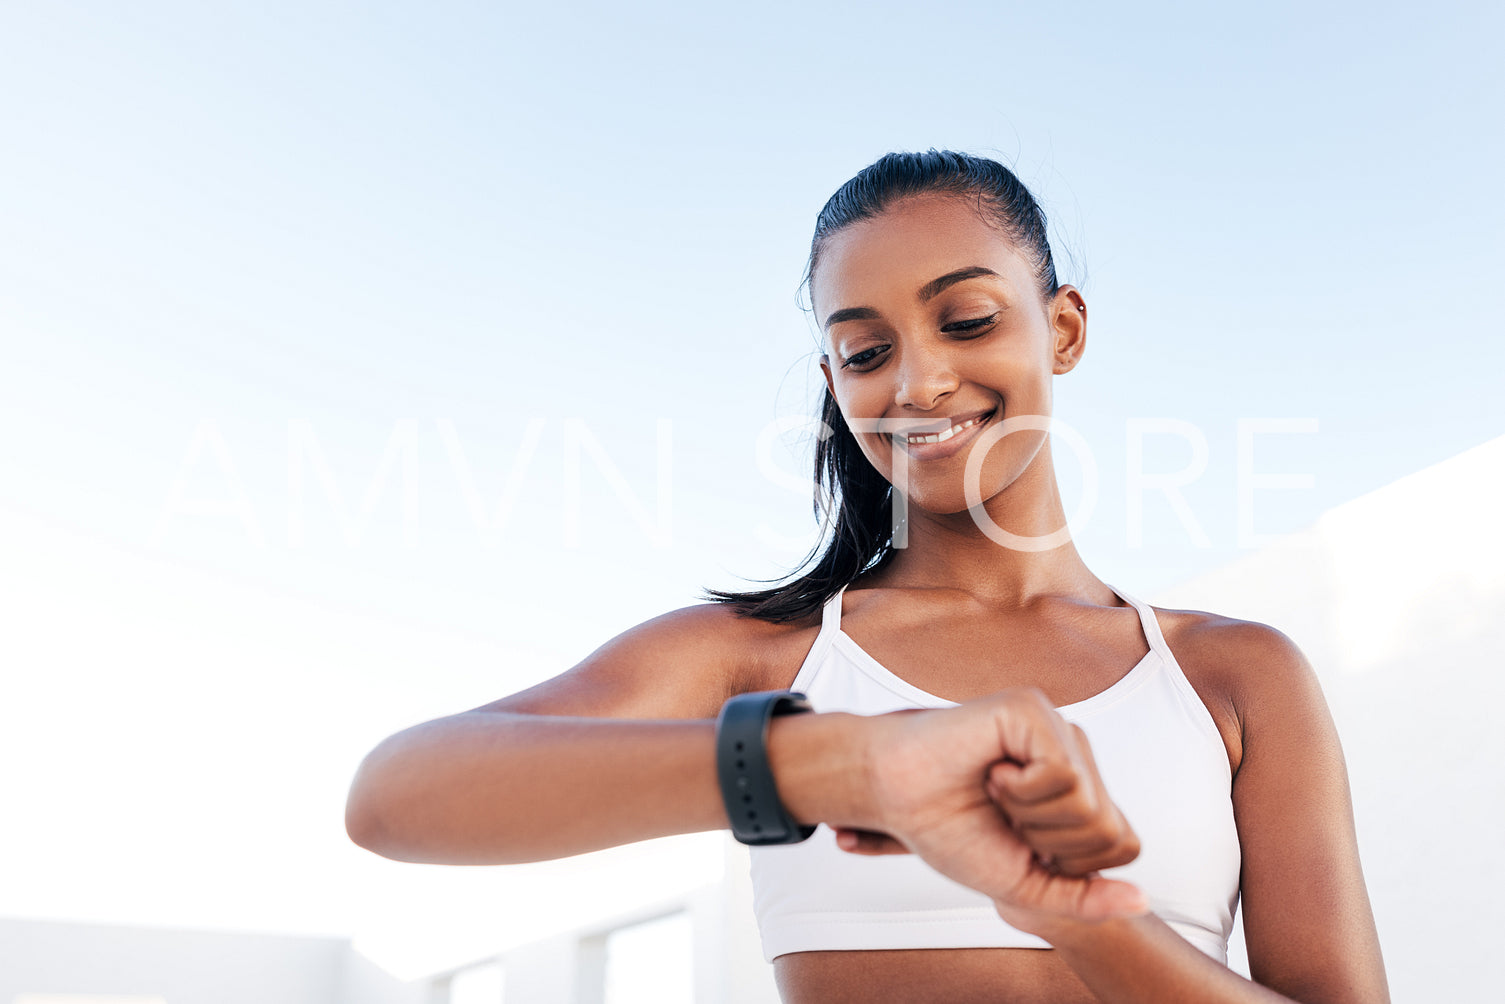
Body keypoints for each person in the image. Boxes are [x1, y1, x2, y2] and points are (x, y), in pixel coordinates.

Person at [345, 150, 1389, 1003]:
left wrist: (1075, 916)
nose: (917, 380)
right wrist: (842, 766)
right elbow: (394, 797)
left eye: (966, 320)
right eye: (862, 349)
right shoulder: (763, 657)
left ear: (1061, 328)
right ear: (832, 378)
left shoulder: (1233, 675)